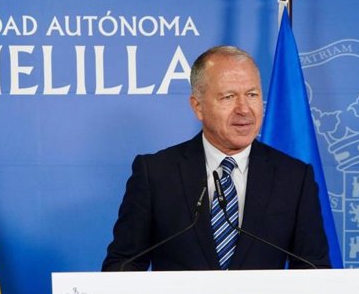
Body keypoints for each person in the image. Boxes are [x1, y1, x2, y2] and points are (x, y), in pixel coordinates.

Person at [101, 45, 331, 272]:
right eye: (228, 97)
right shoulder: (156, 174)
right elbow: (123, 264)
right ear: (198, 107)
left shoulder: (293, 178)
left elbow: (313, 269)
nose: (244, 109)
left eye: (252, 95)